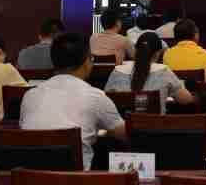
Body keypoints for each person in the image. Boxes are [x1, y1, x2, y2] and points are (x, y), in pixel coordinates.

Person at [20, 32, 127, 169]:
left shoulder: (30, 95)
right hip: (77, 181)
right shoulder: (95, 97)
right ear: (86, 62)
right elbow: (125, 134)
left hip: (30, 180)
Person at [105, 32, 193, 107]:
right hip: (155, 122)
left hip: (124, 122)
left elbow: (105, 100)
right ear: (158, 53)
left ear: (136, 50)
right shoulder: (164, 71)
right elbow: (186, 100)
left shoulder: (117, 71)